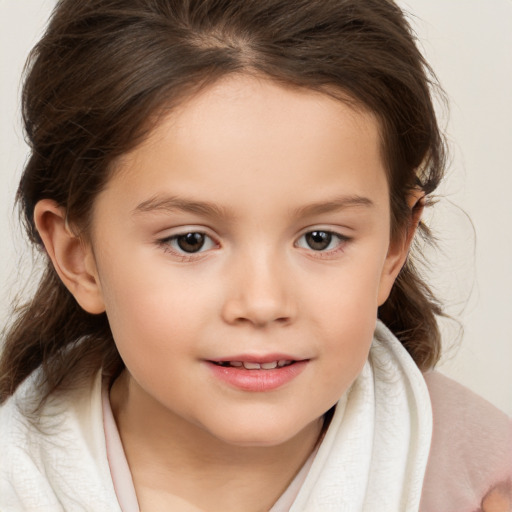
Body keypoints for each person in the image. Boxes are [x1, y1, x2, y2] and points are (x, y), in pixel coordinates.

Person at [0, 0, 510, 510]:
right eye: (190, 241)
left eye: (320, 238)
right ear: (78, 255)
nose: (263, 303)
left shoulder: (479, 488)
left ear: (394, 246)